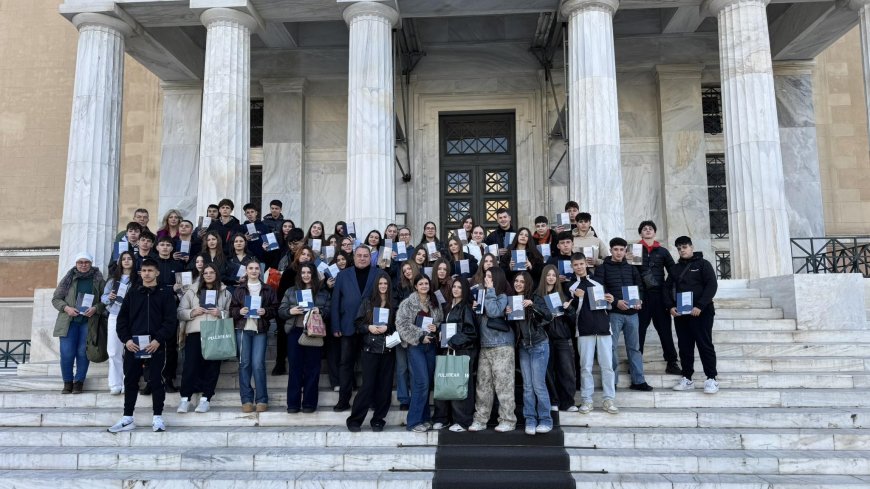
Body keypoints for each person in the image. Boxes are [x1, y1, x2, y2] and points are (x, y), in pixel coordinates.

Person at [109, 258, 177, 433]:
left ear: (157, 273)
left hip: (156, 345)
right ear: (140, 273)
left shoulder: (165, 293)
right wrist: (127, 340)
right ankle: (127, 418)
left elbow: (170, 321)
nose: (146, 274)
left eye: (150, 270)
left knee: (156, 380)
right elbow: (121, 320)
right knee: (130, 380)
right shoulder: (132, 293)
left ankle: (157, 418)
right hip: (133, 345)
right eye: (144, 271)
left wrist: (158, 340)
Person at [594, 237, 653, 391]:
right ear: (611, 250)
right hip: (613, 313)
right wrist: (615, 302)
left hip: (633, 314)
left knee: (634, 347)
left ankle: (638, 380)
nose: (619, 252)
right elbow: (600, 290)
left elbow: (640, 286)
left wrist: (639, 300)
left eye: (621, 249)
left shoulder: (632, 268)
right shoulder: (602, 268)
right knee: (611, 348)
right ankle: (611, 381)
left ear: (626, 251)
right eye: (616, 249)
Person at [666, 236, 720, 394]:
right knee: (684, 347)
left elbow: (712, 285)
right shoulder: (675, 269)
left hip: (701, 313)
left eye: (684, 247)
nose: (682, 250)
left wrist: (700, 306)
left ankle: (711, 379)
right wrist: (670, 306)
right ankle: (687, 378)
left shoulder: (703, 264)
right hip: (681, 314)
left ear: (691, 247)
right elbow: (667, 288)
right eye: (679, 248)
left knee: (705, 345)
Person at [176, 263, 231, 414]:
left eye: (211, 272)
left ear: (216, 274)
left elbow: (230, 313)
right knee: (190, 366)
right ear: (202, 275)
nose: (208, 275)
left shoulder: (225, 292)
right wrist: (192, 312)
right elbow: (180, 312)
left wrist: (219, 313)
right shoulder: (191, 291)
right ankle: (185, 399)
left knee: (212, 367)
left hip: (215, 332)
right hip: (195, 332)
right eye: (205, 272)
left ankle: (206, 399)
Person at [330, 245, 379, 411]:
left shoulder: (378, 274)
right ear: (354, 256)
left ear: (370, 258)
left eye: (366, 255)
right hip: (347, 326)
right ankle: (343, 400)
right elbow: (335, 301)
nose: (363, 258)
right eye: (359, 255)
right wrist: (335, 325)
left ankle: (370, 399)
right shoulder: (343, 275)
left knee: (369, 366)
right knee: (345, 364)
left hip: (369, 327)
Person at [347, 271, 397, 431]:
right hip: (369, 348)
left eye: (386, 284)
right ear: (376, 285)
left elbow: (398, 325)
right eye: (380, 284)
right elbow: (358, 324)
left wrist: (387, 327)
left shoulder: (394, 304)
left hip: (387, 349)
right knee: (367, 386)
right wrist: (369, 327)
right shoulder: (367, 302)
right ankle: (355, 420)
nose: (383, 286)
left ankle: (378, 419)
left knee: (385, 387)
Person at [278, 262, 331, 413]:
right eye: (303, 273)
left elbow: (329, 312)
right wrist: (291, 311)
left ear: (313, 275)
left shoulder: (322, 293)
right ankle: (293, 404)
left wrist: (319, 311)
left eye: (309, 272)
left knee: (313, 369)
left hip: (314, 333)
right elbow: (281, 311)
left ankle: (309, 404)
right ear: (299, 275)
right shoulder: (291, 291)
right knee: (295, 368)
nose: (306, 275)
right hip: (296, 331)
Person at [569, 252, 618, 414]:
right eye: (576, 265)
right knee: (585, 367)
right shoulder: (571, 286)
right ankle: (587, 400)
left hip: (604, 329)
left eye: (581, 264)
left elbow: (607, 304)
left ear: (586, 264)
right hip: (584, 330)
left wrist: (610, 300)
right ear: (572, 267)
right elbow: (572, 311)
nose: (579, 267)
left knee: (608, 367)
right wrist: (579, 299)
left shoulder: (598, 282)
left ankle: (609, 400)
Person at [469, 267, 516, 433]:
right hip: (485, 345)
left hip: (502, 345)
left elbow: (494, 311)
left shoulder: (502, 295)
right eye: (485, 276)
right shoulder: (484, 294)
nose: (486, 279)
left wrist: (490, 290)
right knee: (483, 386)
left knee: (504, 386)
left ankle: (508, 420)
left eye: (489, 276)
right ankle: (480, 419)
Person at [396, 274, 443, 432]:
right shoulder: (407, 303)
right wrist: (419, 336)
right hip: (415, 346)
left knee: (427, 382)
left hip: (431, 347)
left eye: (426, 283)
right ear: (415, 286)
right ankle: (414, 421)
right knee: (421, 382)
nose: (424, 286)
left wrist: (435, 328)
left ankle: (425, 418)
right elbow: (401, 325)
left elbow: (439, 321)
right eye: (421, 284)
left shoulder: (434, 303)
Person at [53, 252, 106, 395]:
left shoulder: (98, 280)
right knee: (67, 353)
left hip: (88, 322)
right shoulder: (68, 279)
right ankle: (67, 382)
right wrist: (66, 308)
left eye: (86, 262)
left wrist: (96, 308)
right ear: (76, 264)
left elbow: (105, 300)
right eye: (80, 262)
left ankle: (79, 382)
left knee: (83, 353)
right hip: (69, 322)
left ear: (91, 263)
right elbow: (56, 299)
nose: (83, 265)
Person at [509, 271, 554, 435]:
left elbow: (549, 316)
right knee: (527, 386)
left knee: (538, 385)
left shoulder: (535, 298)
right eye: (516, 281)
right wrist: (508, 313)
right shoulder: (512, 300)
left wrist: (532, 305)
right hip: (523, 347)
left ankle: (546, 420)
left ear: (527, 283)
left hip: (539, 345)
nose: (518, 284)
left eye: (522, 281)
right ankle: (530, 419)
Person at [230, 261, 278, 413]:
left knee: (258, 364)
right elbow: (232, 310)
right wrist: (240, 312)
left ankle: (262, 399)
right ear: (246, 271)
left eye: (257, 268)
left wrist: (266, 312)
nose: (254, 270)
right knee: (244, 364)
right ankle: (246, 399)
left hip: (260, 330)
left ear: (260, 271)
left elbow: (275, 309)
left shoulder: (267, 289)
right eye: (251, 268)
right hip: (243, 330)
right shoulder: (239, 289)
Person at [433, 277, 479, 432]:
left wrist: (453, 341)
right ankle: (442, 418)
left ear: (465, 289)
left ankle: (462, 421)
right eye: (454, 286)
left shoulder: (466, 308)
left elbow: (471, 333)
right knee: (444, 383)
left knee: (460, 385)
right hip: (446, 351)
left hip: (461, 352)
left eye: (459, 287)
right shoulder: (447, 307)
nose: (456, 289)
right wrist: (440, 332)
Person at [634, 220, 680, 375]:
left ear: (654, 232)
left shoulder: (662, 251)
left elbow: (673, 271)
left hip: (660, 296)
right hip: (642, 296)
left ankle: (672, 362)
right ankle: (635, 363)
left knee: (665, 330)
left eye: (650, 228)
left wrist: (666, 287)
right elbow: (630, 272)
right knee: (639, 330)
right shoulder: (634, 250)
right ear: (640, 233)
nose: (647, 230)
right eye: (644, 229)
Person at [536, 264, 576, 412]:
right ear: (544, 277)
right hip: (544, 338)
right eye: (548, 275)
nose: (551, 277)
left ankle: (568, 402)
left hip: (562, 337)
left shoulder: (562, 295)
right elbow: (537, 319)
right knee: (548, 371)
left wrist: (569, 309)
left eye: (553, 275)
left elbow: (572, 320)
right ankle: (553, 401)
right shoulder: (537, 296)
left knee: (567, 371)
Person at [102, 251, 136, 395]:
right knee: (114, 350)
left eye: (129, 259)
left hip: (132, 318)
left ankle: (128, 382)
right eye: (124, 259)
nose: (127, 261)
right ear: (120, 262)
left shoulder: (137, 280)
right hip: (115, 316)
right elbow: (103, 298)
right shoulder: (112, 281)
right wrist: (108, 297)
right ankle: (115, 383)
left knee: (130, 351)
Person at [392, 260, 419, 411]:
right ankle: (403, 398)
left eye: (409, 269)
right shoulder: (398, 287)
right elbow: (395, 308)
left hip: (416, 333)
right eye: (405, 270)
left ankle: (415, 396)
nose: (407, 272)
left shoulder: (422, 285)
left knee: (414, 367)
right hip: (401, 332)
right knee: (402, 367)